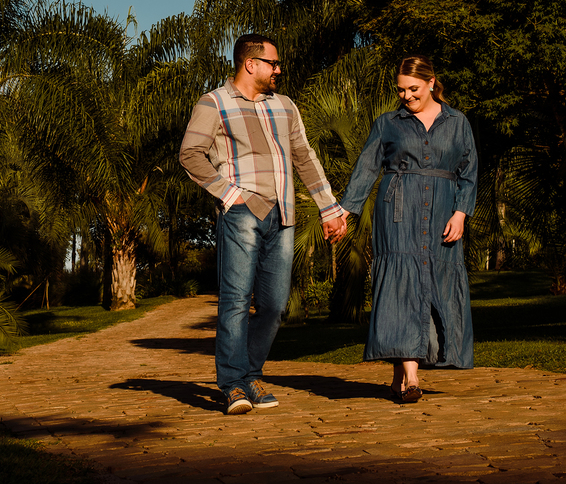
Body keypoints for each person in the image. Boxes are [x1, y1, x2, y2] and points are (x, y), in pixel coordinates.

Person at [180, 34, 347, 415]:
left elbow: (304, 156)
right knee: (236, 301)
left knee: (274, 305)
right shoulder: (214, 103)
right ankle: (233, 385)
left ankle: (251, 374)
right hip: (241, 212)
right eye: (273, 63)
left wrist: (328, 207)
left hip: (284, 214)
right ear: (250, 64)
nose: (278, 69)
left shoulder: (285, 106)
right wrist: (229, 194)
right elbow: (190, 154)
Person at [338, 55, 478, 403]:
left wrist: (461, 213)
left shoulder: (458, 122)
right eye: (400, 90)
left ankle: (400, 375)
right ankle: (412, 377)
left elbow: (469, 171)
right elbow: (366, 168)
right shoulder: (388, 123)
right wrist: (344, 211)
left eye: (413, 89)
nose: (406, 96)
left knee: (432, 281)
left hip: (443, 211)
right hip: (398, 212)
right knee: (403, 284)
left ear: (432, 83)